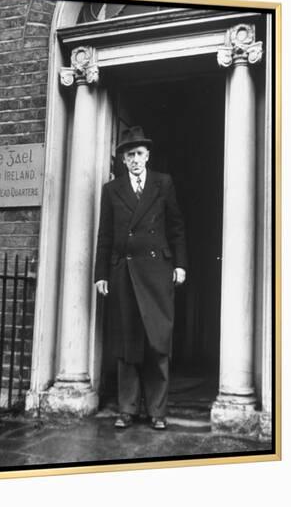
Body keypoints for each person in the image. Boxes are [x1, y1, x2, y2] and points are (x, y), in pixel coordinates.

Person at [94, 125, 187, 430]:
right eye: (129, 154)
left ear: (148, 155)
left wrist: (180, 264)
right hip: (124, 273)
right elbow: (105, 234)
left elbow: (176, 227)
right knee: (127, 344)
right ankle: (127, 410)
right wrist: (101, 274)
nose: (134, 159)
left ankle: (158, 413)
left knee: (157, 342)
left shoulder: (164, 183)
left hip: (157, 272)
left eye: (139, 153)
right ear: (122, 159)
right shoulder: (112, 189)